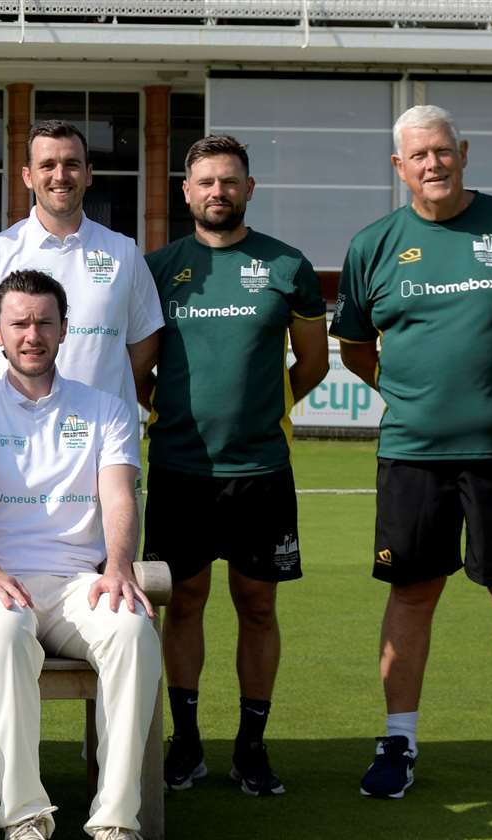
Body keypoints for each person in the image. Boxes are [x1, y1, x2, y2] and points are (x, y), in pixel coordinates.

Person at [332, 105, 492, 811]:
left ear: (463, 152)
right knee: (412, 592)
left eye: (442, 151)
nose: (432, 164)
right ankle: (398, 741)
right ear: (398, 167)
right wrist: (409, 392)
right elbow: (355, 346)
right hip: (412, 452)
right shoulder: (374, 244)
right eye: (418, 156)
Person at [141, 134, 329, 797]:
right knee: (182, 600)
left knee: (257, 603)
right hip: (180, 469)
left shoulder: (286, 265)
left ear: (249, 189)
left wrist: (262, 408)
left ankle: (251, 745)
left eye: (230, 181)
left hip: (260, 471)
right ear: (186, 191)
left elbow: (313, 362)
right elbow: (141, 373)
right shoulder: (159, 268)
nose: (217, 191)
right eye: (205, 182)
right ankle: (186, 741)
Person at [0, 269, 162, 840]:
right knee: (3, 636)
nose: (33, 335)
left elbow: (120, 494)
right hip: (0, 583)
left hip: (80, 581)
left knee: (133, 630)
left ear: (64, 329)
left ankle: (116, 826)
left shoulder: (105, 408)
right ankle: (23, 822)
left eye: (44, 322)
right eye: (19, 323)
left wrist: (122, 565)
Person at [0, 120, 162, 403]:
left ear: (88, 174)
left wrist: (106, 392)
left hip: (103, 435)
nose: (60, 176)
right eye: (47, 165)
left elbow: (145, 346)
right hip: (16, 439)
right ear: (27, 176)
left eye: (72, 164)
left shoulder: (123, 253)